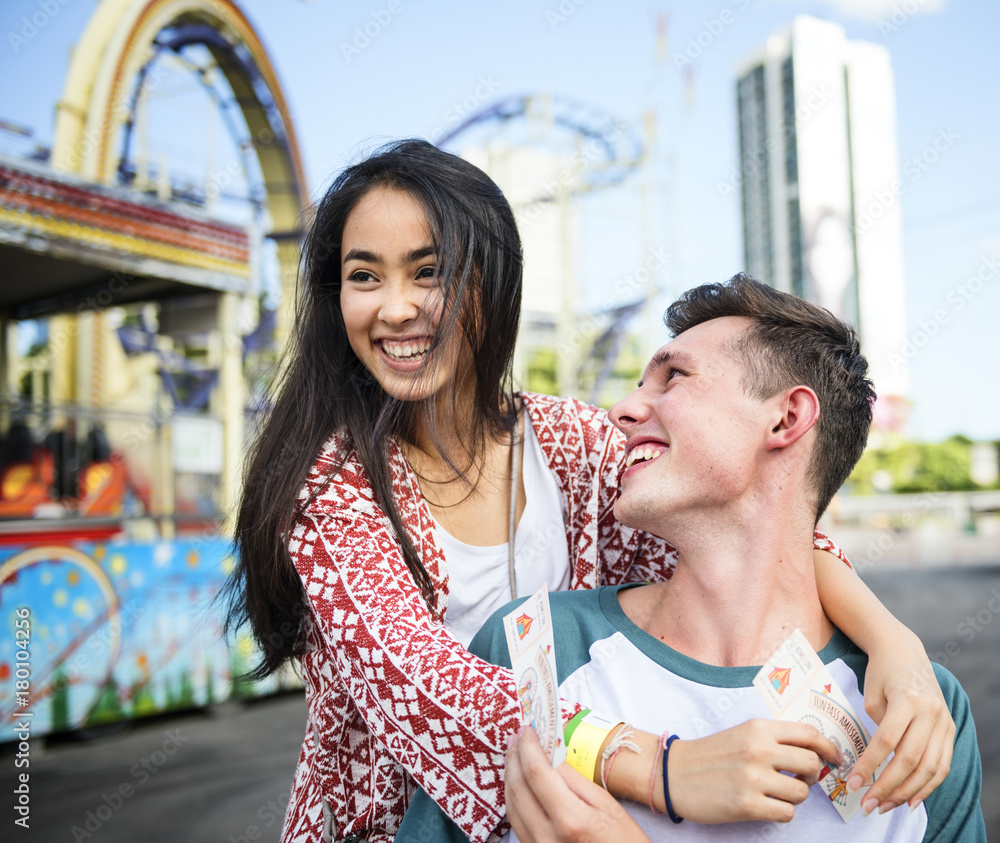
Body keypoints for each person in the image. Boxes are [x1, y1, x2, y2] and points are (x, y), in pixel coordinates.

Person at [226, 141, 955, 843]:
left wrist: (896, 644)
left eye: (427, 272)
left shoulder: (569, 439)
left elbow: (766, 533)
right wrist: (665, 766)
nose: (394, 307)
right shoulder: (329, 482)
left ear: (491, 281)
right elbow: (426, 687)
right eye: (364, 276)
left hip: (585, 819)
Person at [397, 275, 984, 842]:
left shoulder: (915, 713)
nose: (623, 410)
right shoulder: (533, 646)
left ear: (785, 418)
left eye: (673, 377)